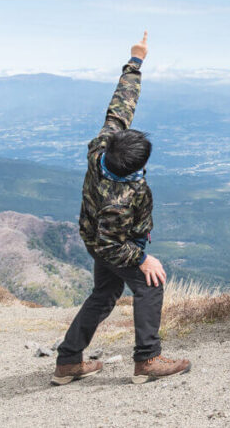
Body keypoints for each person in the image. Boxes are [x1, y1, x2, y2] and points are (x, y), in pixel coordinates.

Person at [53, 32, 191, 386]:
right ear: (133, 166)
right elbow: (110, 242)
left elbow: (119, 108)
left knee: (105, 293)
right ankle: (147, 359)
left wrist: (136, 60)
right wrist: (143, 259)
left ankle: (69, 360)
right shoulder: (122, 197)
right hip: (111, 243)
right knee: (150, 284)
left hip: (94, 235)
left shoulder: (103, 147)